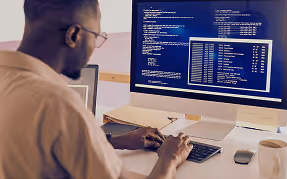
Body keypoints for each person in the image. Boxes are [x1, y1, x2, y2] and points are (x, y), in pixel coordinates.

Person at [0, 0, 193, 178]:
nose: (95, 46)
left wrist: (109, 141)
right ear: (74, 35)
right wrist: (170, 158)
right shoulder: (59, 103)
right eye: (96, 36)